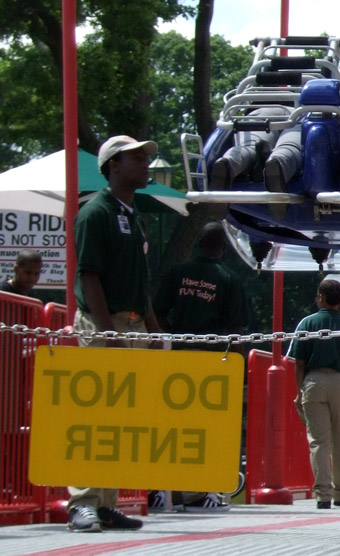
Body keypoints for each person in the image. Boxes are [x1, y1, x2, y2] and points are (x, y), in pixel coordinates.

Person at [66, 135, 162, 534]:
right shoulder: (96, 213)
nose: (145, 164)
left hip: (133, 323)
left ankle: (106, 504)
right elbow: (89, 276)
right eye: (135, 158)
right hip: (104, 324)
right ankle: (82, 503)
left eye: (144, 158)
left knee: (121, 420)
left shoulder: (133, 215)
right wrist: (108, 332)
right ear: (113, 166)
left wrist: (154, 330)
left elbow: (140, 282)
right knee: (95, 417)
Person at [149, 222, 249, 514]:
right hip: (211, 363)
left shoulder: (176, 273)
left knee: (172, 427)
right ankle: (201, 493)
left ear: (199, 243)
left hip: (177, 358)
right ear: (223, 246)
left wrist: (172, 336)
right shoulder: (229, 279)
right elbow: (237, 331)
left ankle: (161, 490)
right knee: (206, 429)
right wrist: (239, 369)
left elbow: (157, 311)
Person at [288, 279, 340, 509]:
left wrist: (300, 392)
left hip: (314, 381)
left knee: (319, 441)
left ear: (320, 297)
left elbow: (299, 363)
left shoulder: (306, 323)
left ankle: (322, 494)